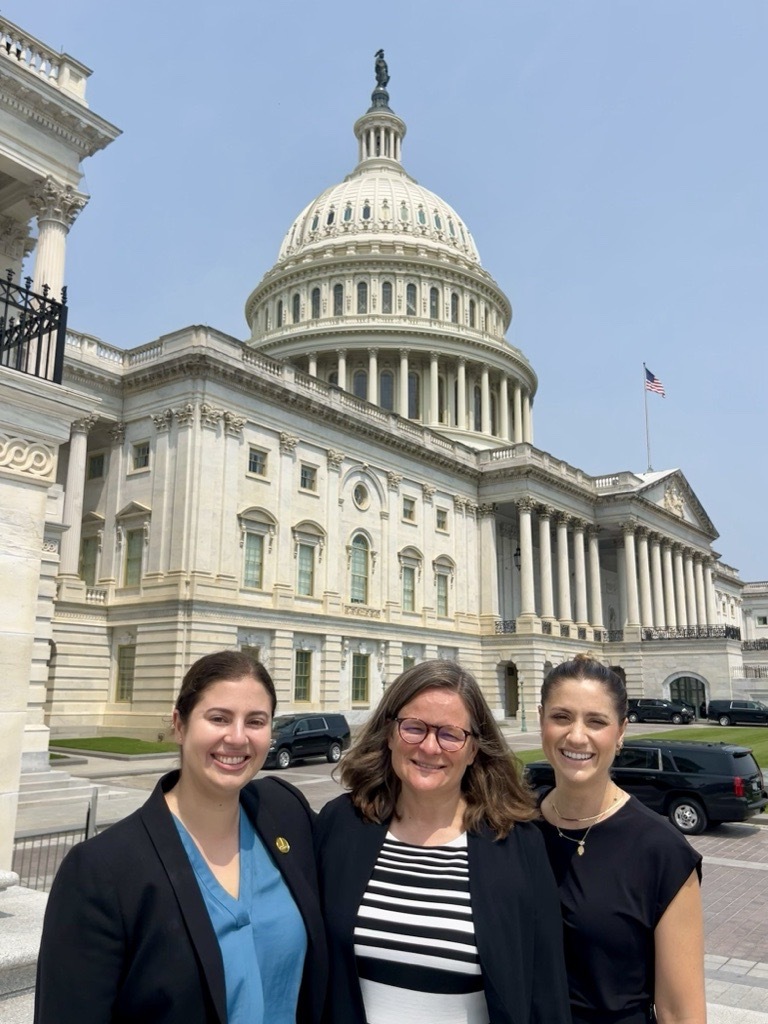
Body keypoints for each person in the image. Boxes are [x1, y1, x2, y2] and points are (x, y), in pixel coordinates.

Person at [35, 650, 327, 1024]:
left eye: (256, 721)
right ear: (179, 724)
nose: (237, 738)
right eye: (218, 718)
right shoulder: (102, 870)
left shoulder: (286, 813)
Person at [315, 660, 571, 1024]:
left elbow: (546, 991)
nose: (430, 747)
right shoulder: (342, 824)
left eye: (450, 734)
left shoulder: (517, 844)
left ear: (473, 750)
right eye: (413, 728)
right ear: (389, 734)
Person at [536, 655, 705, 1024]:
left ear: (621, 731)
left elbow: (681, 1013)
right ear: (541, 720)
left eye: (596, 721)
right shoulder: (515, 827)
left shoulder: (661, 851)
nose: (576, 735)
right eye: (561, 717)